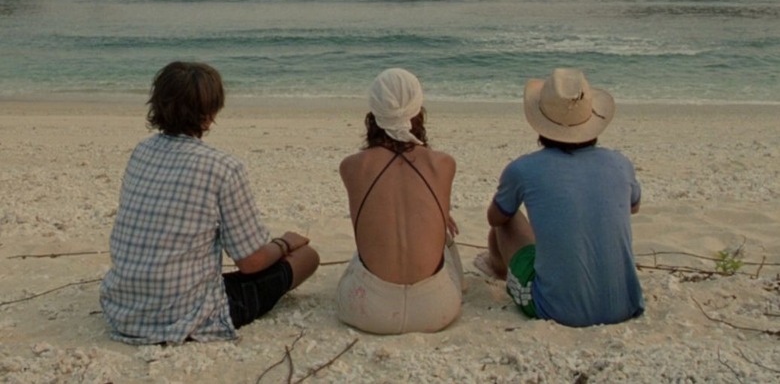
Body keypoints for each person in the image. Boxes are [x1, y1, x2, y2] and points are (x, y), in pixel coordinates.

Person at [99, 61, 319, 344]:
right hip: (186, 316)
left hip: (123, 309)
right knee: (307, 258)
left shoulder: (142, 151)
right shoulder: (223, 167)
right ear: (210, 114)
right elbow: (251, 262)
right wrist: (284, 243)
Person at [477, 68, 644, 327]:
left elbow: (494, 217)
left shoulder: (523, 168)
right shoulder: (620, 163)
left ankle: (500, 269)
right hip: (624, 306)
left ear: (540, 123)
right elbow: (633, 207)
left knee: (506, 219)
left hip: (556, 310)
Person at [336, 68, 464, 334]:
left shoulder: (351, 167)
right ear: (418, 111)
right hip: (436, 309)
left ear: (372, 114)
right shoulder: (444, 164)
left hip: (368, 310)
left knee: (364, 248)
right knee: (446, 239)